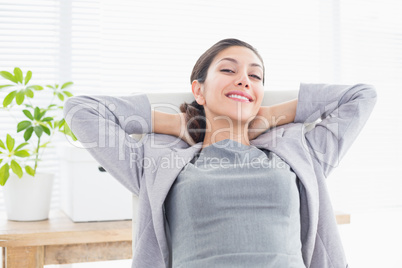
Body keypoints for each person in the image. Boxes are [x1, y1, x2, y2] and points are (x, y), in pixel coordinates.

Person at [64, 38, 377, 268]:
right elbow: (81, 110)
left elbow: (361, 97)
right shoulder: (160, 161)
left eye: (255, 76)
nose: (244, 78)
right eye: (229, 70)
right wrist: (181, 124)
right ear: (198, 90)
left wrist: (268, 117)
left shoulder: (299, 151)